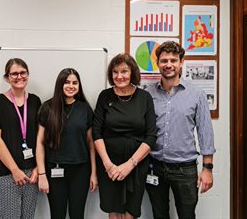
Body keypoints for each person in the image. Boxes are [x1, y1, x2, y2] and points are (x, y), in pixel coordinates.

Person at [145, 41, 216, 219]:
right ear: (157, 63)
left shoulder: (196, 94)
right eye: (164, 61)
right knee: (159, 215)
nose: (168, 65)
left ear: (181, 63)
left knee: (187, 215)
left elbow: (205, 132)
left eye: (173, 60)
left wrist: (207, 169)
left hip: (185, 169)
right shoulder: (148, 94)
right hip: (155, 167)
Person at [92, 54, 157, 219]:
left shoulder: (144, 97)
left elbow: (151, 136)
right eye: (115, 72)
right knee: (113, 212)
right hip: (109, 163)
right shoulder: (105, 96)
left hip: (136, 163)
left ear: (132, 73)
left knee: (130, 213)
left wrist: (129, 165)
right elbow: (96, 132)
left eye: (124, 71)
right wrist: (108, 165)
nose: (119, 76)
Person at [36, 68, 97, 219]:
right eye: (67, 82)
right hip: (54, 169)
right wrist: (42, 174)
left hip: (81, 171)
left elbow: (91, 144)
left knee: (78, 215)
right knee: (57, 215)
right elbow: (40, 143)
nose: (71, 86)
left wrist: (94, 173)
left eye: (75, 83)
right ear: (60, 84)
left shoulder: (85, 109)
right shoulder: (47, 108)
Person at [0, 58, 41, 219]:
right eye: (14, 74)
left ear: (28, 75)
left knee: (28, 217)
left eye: (22, 73)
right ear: (7, 77)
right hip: (7, 174)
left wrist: (38, 167)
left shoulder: (35, 101)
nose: (19, 77)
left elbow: (40, 137)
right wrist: (15, 170)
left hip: (32, 173)